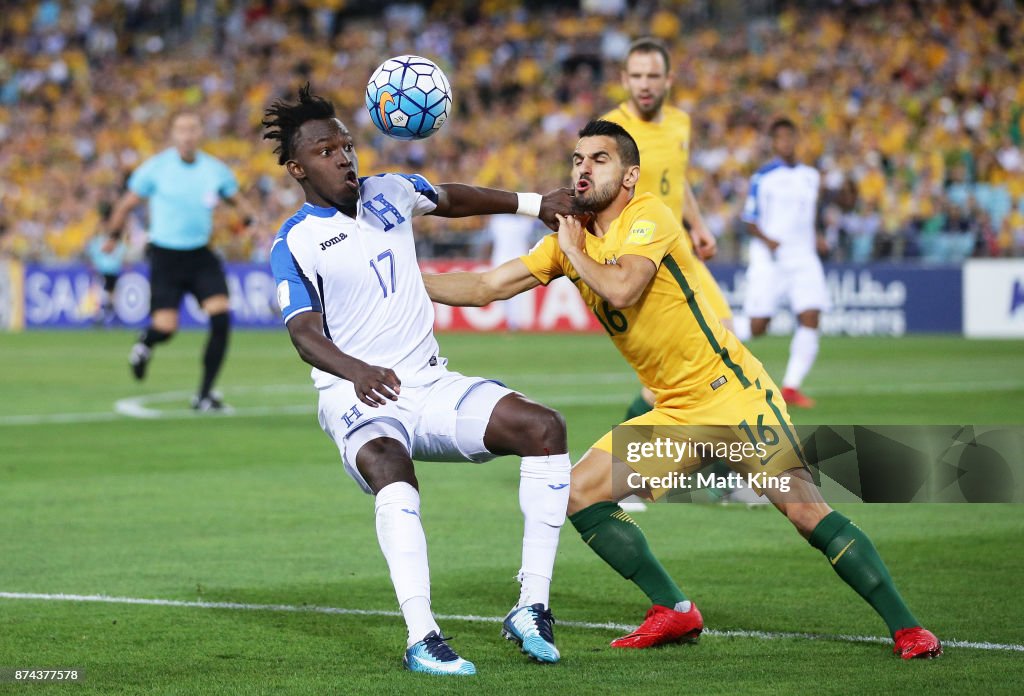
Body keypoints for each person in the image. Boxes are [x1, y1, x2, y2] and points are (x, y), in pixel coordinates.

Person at [424, 120, 941, 660]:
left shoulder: (647, 215)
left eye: (598, 160)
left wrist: (572, 251)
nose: (582, 169)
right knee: (577, 493)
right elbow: (485, 286)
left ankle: (908, 628)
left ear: (629, 175)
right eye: (577, 159)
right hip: (675, 414)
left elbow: (623, 287)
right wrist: (401, 279)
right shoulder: (568, 241)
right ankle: (674, 608)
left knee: (805, 512)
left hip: (732, 396)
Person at [262, 85, 576, 676]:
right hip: (355, 397)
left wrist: (536, 204)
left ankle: (532, 606)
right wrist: (356, 372)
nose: (345, 158)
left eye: (348, 145)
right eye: (328, 151)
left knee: (543, 428)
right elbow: (304, 333)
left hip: (430, 386)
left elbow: (453, 197)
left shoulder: (391, 191)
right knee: (388, 466)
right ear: (299, 168)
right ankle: (422, 636)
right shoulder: (295, 241)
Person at [602, 38, 735, 424]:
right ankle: (622, 465)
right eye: (637, 76)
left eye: (653, 76)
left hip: (681, 254)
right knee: (674, 376)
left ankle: (632, 467)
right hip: (644, 261)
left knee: (722, 341)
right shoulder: (612, 131)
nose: (644, 84)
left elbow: (676, 181)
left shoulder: (680, 122)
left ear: (668, 80)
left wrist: (697, 224)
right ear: (625, 79)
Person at [104, 111, 261, 411]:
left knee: (221, 317)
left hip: (200, 254)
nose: (187, 135)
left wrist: (252, 222)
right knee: (166, 327)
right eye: (181, 130)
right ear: (174, 135)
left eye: (192, 128)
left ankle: (204, 394)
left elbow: (236, 199)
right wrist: (112, 235)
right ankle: (146, 342)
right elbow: (126, 204)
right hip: (165, 255)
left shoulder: (214, 170)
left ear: (200, 133)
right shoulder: (156, 168)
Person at [733, 117, 829, 408]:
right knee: (759, 325)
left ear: (796, 140)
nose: (786, 143)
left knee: (811, 315)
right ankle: (709, 336)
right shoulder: (763, 176)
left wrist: (817, 236)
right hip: (770, 258)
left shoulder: (811, 176)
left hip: (804, 257)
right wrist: (768, 239)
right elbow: (749, 220)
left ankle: (790, 387)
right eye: (780, 139)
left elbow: (807, 216)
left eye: (790, 137)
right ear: (774, 144)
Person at [481, 214, 539, 330]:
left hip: (500, 260)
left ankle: (512, 322)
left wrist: (482, 257)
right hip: (520, 261)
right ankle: (514, 322)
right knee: (517, 293)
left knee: (503, 292)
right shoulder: (525, 221)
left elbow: (487, 242)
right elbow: (533, 241)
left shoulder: (496, 220)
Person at [86, 202, 124, 326]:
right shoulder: (100, 240)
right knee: (105, 293)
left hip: (110, 268)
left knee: (107, 292)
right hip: (104, 268)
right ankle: (105, 314)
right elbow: (92, 252)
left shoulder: (109, 241)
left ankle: (105, 315)